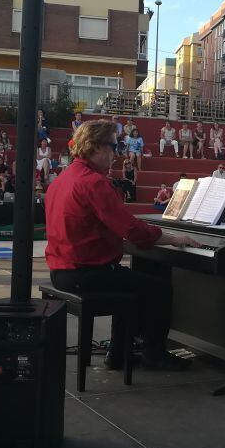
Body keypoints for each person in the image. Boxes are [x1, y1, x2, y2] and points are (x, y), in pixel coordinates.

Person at [46, 120, 201, 370]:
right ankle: (154, 354)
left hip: (62, 269)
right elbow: (131, 230)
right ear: (96, 147)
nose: (117, 154)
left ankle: (118, 353)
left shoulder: (63, 178)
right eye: (114, 146)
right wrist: (172, 238)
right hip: (83, 272)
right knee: (159, 289)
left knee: (127, 281)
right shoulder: (94, 182)